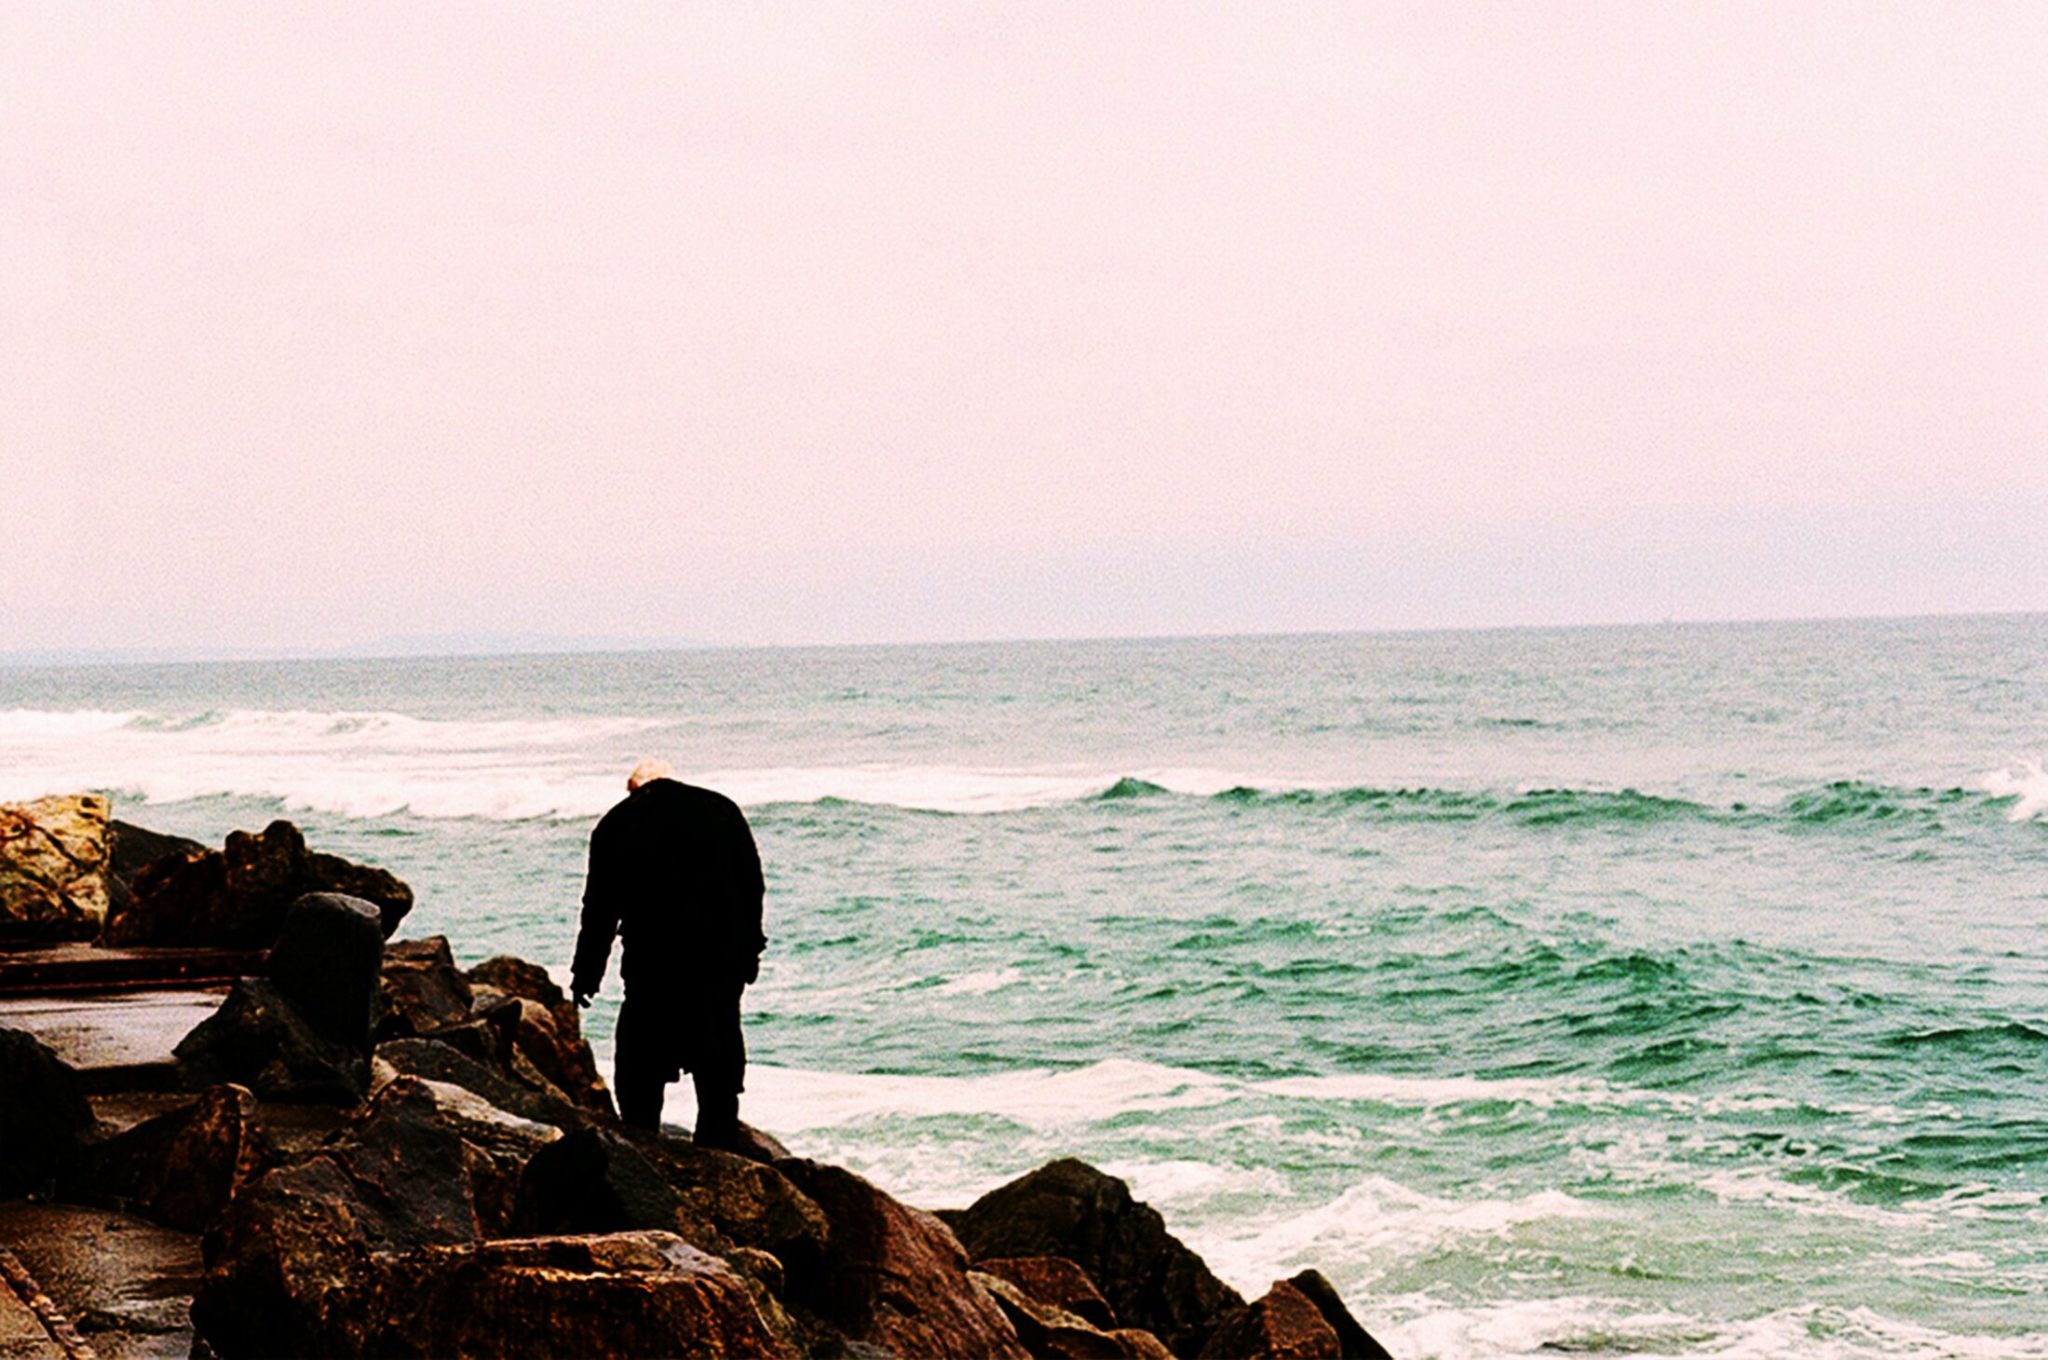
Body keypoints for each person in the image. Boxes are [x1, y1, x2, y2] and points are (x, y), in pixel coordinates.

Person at [571, 757, 765, 1146]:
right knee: (718, 1069)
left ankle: (642, 1155)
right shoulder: (722, 809)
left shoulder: (616, 823)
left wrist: (587, 974)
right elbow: (752, 887)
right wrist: (749, 953)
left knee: (640, 1069)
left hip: (652, 967)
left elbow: (600, 909)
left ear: (634, 789)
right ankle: (718, 1155)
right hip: (717, 964)